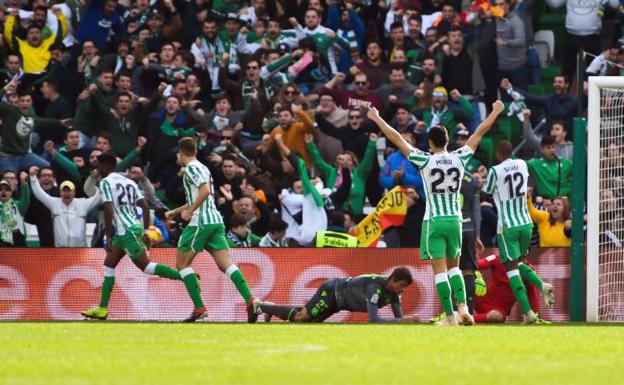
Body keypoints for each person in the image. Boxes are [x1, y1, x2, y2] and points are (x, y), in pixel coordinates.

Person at [366, 100, 505, 326]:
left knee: (440, 272)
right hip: (456, 220)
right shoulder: (460, 157)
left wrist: (376, 118)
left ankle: (450, 317)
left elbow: (396, 138)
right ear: (448, 141)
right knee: (455, 268)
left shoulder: (425, 160)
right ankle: (463, 308)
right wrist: (495, 111)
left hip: (434, 221)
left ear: (430, 143)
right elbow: (479, 132)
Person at [165, 137, 259, 322]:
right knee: (226, 265)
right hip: (215, 221)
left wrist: (189, 212)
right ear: (196, 151)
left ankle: (199, 308)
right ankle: (250, 299)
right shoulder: (203, 167)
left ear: (180, 153)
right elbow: (201, 195)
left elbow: (205, 191)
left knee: (182, 264)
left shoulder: (190, 169)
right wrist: (176, 211)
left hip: (200, 222)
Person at [81, 153, 183, 320]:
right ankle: (102, 308)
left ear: (107, 166)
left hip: (125, 231)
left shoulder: (106, 182)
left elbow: (108, 209)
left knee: (146, 267)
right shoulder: (129, 182)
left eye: (99, 166)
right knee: (108, 265)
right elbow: (144, 206)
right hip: (129, 229)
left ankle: (185, 277)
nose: (97, 170)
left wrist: (107, 235)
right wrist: (143, 230)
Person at [482, 141, 540, 324]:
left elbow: (486, 192)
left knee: (512, 270)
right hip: (526, 223)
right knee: (522, 263)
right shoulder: (522, 164)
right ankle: (541, 285)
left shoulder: (495, 170)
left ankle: (528, 312)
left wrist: (481, 181)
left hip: (508, 226)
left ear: (498, 153)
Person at [258, 267, 419, 323]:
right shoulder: (374, 287)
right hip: (331, 291)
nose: (403, 290)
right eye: (402, 285)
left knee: (309, 320)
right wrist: (401, 320)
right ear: (393, 280)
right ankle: (261, 306)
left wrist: (406, 321)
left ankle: (271, 308)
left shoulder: (393, 294)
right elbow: (374, 319)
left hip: (338, 304)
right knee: (302, 318)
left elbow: (399, 319)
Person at [29, 166, 102, 247]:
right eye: (64, 191)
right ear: (60, 192)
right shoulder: (54, 203)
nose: (66, 193)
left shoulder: (83, 204)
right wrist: (32, 177)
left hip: (80, 250)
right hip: (60, 251)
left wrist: (99, 178)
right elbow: (39, 193)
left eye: (69, 191)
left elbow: (98, 197)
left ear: (74, 192)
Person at [474, 254, 555, 323]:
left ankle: (465, 318)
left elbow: (531, 293)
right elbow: (477, 264)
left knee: (497, 317)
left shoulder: (528, 271)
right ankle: (463, 311)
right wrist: (478, 276)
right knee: (467, 279)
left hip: (498, 311)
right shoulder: (496, 258)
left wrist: (535, 315)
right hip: (480, 298)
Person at [0, 177, 30, 247]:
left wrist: (24, 183)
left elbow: (26, 199)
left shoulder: (18, 205)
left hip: (18, 243)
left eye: (7, 189)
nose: (3, 191)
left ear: (11, 193)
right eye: (0, 189)